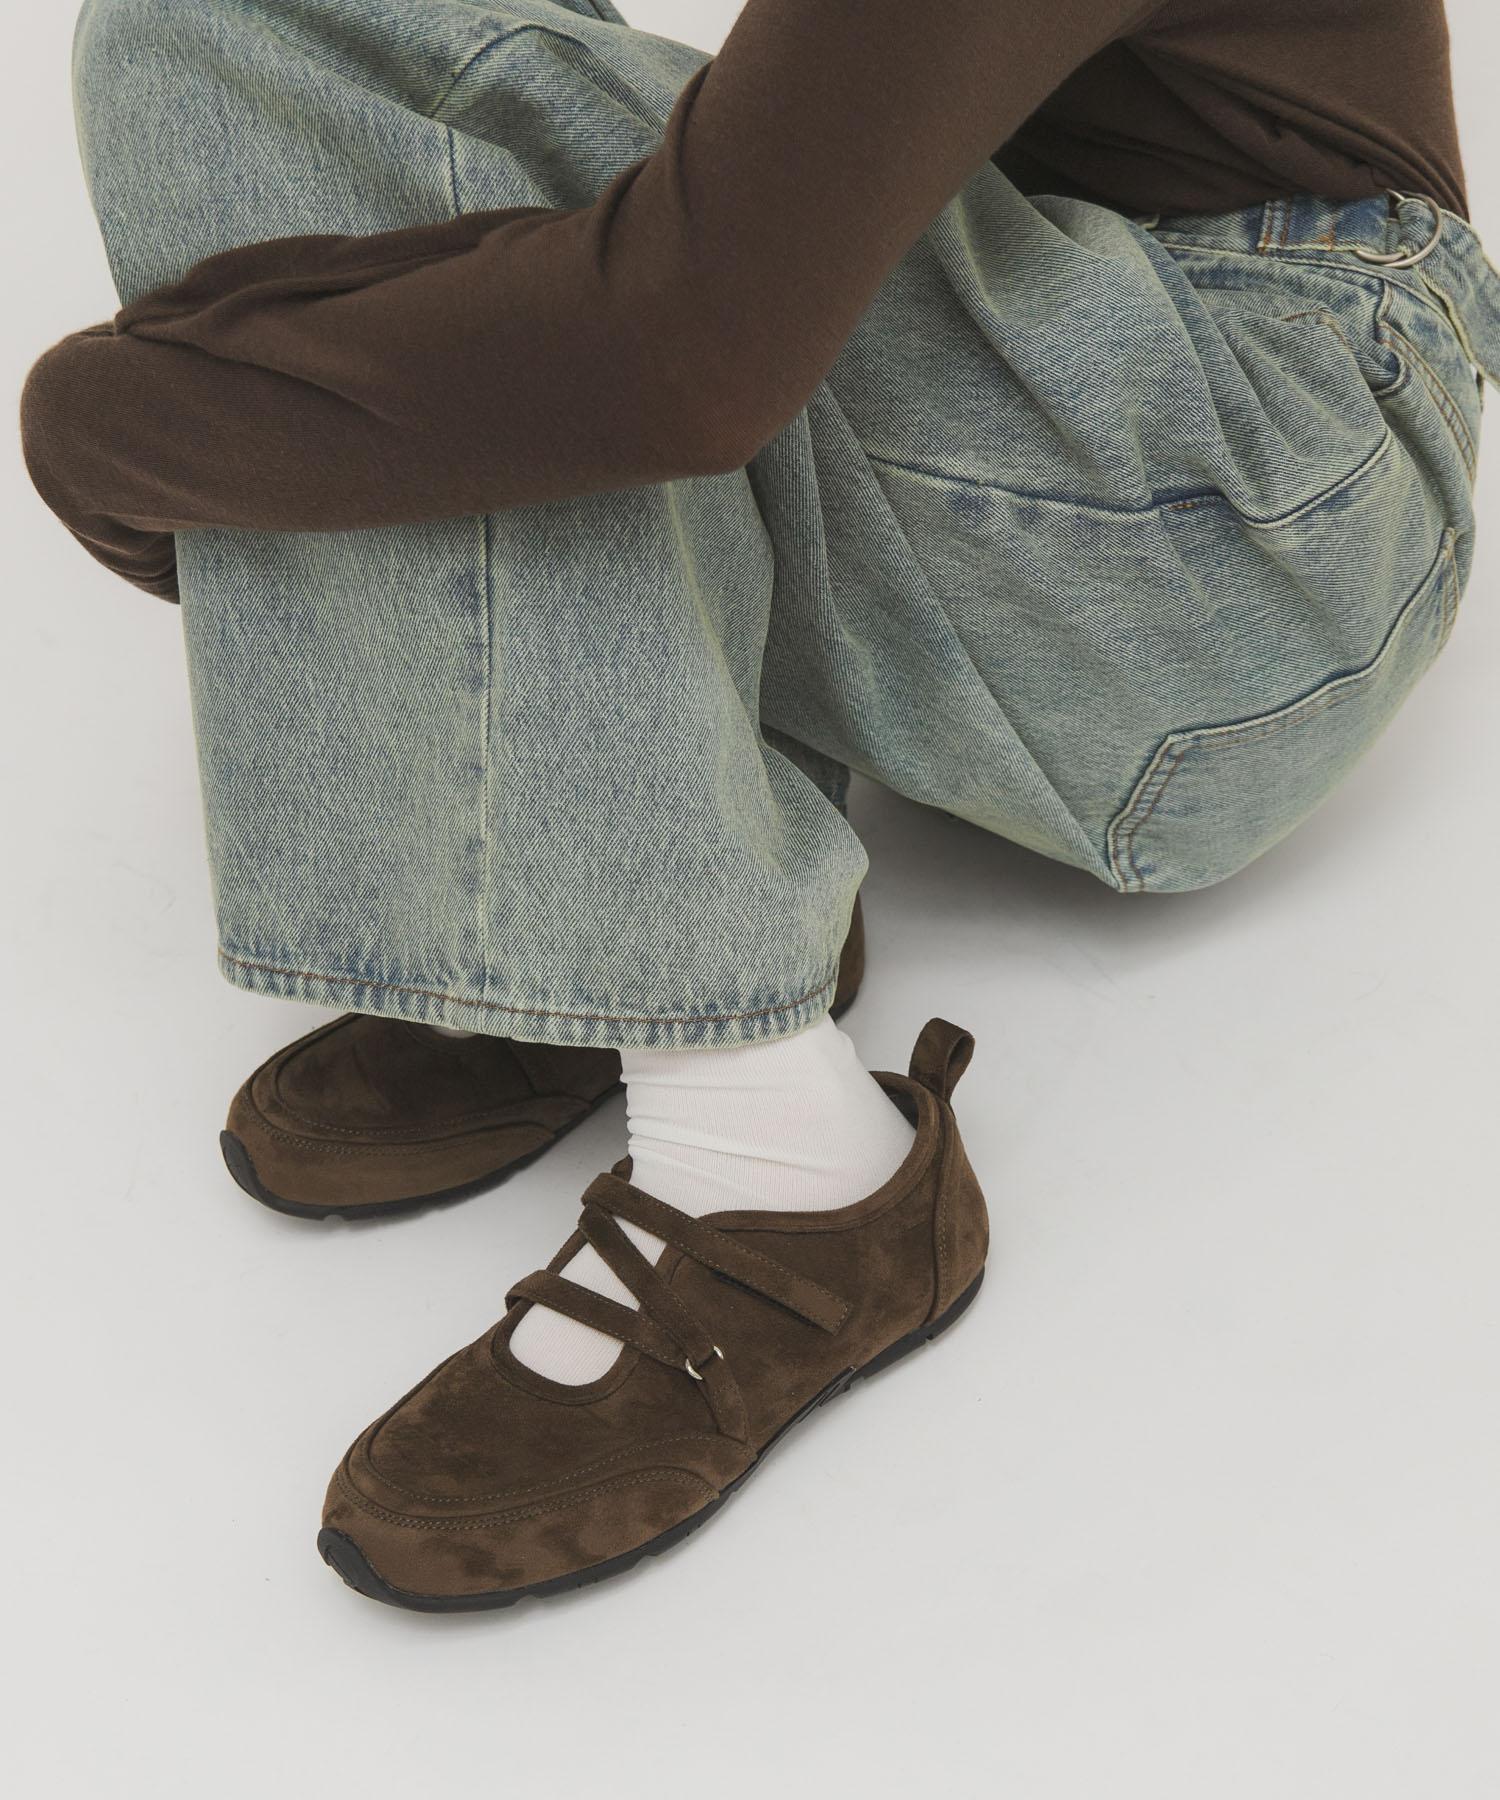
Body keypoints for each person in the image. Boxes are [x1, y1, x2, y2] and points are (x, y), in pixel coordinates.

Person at [18, 0, 1499, 1613]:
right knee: (346, 73)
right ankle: (622, 884)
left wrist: (127, 430)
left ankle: (776, 1150)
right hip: (1140, 463)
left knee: (303, 67)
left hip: (1243, 541)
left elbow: (686, 349)